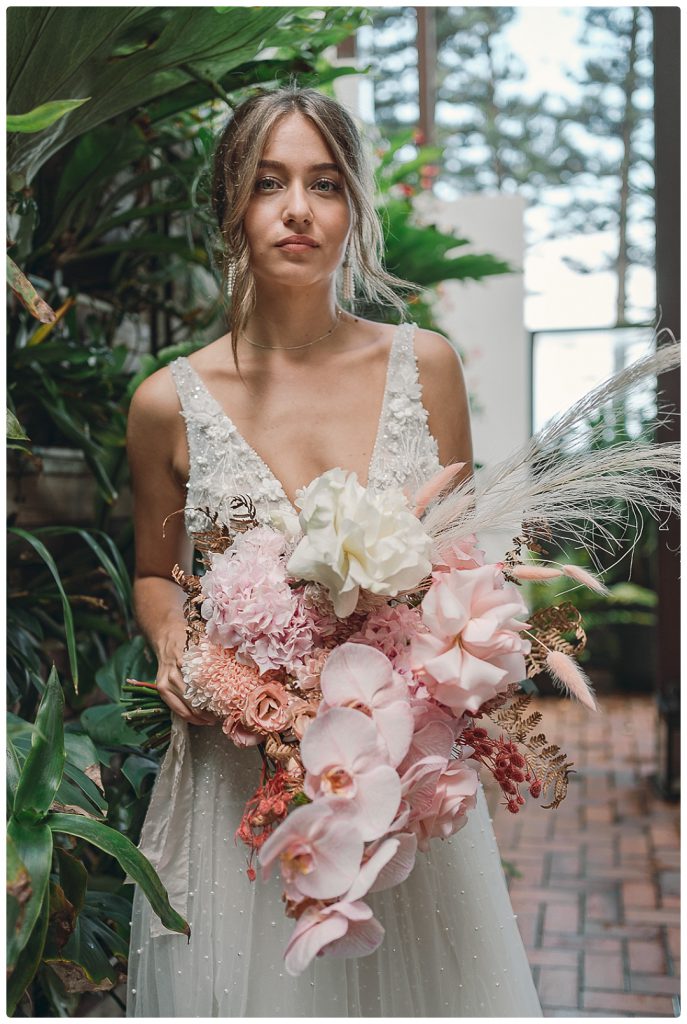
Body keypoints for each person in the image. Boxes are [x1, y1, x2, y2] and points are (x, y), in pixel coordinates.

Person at [125, 83, 543, 1017]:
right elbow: (157, 575)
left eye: (324, 183)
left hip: (391, 775)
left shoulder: (422, 364)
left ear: (353, 205)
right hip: (243, 778)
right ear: (230, 205)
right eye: (269, 182)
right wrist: (174, 645)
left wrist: (446, 672)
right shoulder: (166, 402)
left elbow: (462, 569)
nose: (297, 210)